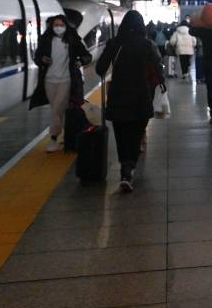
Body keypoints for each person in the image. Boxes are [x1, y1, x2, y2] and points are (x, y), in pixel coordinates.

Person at [96, 11, 164, 192]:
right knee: (136, 133)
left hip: (118, 95)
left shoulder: (114, 44)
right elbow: (158, 68)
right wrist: (162, 84)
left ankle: (125, 169)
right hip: (141, 95)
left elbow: (99, 68)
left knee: (121, 134)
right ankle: (129, 168)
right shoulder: (147, 44)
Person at [31, 15, 92, 152]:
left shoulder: (72, 40)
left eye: (61, 25)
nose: (58, 27)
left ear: (66, 26)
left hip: (66, 79)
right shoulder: (46, 40)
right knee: (57, 108)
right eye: (55, 25)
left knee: (57, 107)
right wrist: (42, 60)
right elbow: (37, 58)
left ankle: (53, 137)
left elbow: (87, 56)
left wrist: (80, 61)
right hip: (49, 80)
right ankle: (68, 136)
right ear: (52, 27)